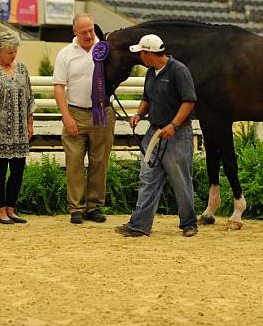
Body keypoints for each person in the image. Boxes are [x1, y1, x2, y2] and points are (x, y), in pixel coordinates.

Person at [114, 34, 199, 238]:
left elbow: (189, 101)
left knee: (181, 180)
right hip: (155, 132)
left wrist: (173, 125)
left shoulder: (179, 71)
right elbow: (147, 98)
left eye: (142, 53)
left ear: (149, 53)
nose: (140, 58)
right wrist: (139, 114)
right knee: (147, 177)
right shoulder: (151, 73)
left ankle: (189, 223)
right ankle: (139, 224)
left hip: (176, 134)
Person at [53, 13, 115, 224]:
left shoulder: (106, 49)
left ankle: (95, 205)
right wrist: (66, 117)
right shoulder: (65, 54)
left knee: (100, 161)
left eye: (91, 30)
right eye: (84, 32)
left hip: (102, 111)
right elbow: (59, 87)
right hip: (76, 112)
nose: (89, 35)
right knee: (75, 162)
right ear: (75, 32)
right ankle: (76, 207)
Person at [0, 31, 36, 225]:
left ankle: (12, 209)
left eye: (15, 51)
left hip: (19, 132)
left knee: (18, 171)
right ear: (0, 51)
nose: (13, 55)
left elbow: (29, 98)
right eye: (10, 52)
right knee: (0, 172)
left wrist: (30, 123)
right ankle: (0, 210)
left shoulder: (22, 69)